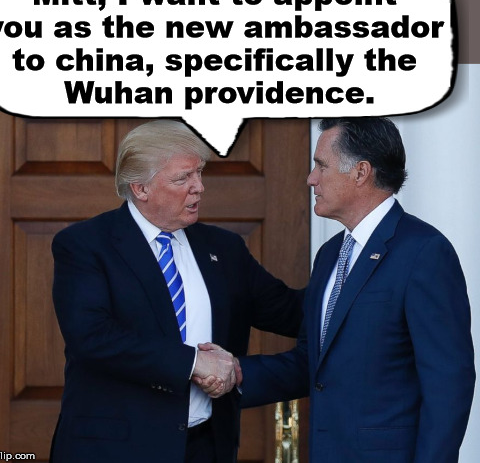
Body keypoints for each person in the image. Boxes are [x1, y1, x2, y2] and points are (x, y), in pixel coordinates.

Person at [49, 120, 304, 463]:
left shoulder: (224, 249)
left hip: (206, 447)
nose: (199, 187)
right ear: (141, 188)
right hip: (115, 449)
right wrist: (194, 362)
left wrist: (355, 274)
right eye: (183, 178)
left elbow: (291, 313)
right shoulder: (86, 245)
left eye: (199, 173)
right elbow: (92, 338)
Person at [236, 117, 475, 462]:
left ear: (361, 172)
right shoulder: (330, 254)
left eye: (321, 166)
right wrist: (234, 375)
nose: (311, 178)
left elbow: (448, 383)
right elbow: (312, 363)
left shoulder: (424, 252)